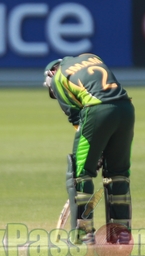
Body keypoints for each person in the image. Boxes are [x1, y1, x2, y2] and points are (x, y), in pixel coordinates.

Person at [42, 55, 134, 245]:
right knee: (117, 174)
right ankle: (121, 233)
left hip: (97, 110)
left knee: (80, 172)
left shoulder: (59, 77)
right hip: (126, 108)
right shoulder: (89, 57)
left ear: (51, 73)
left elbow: (76, 119)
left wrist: (95, 151)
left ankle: (83, 233)